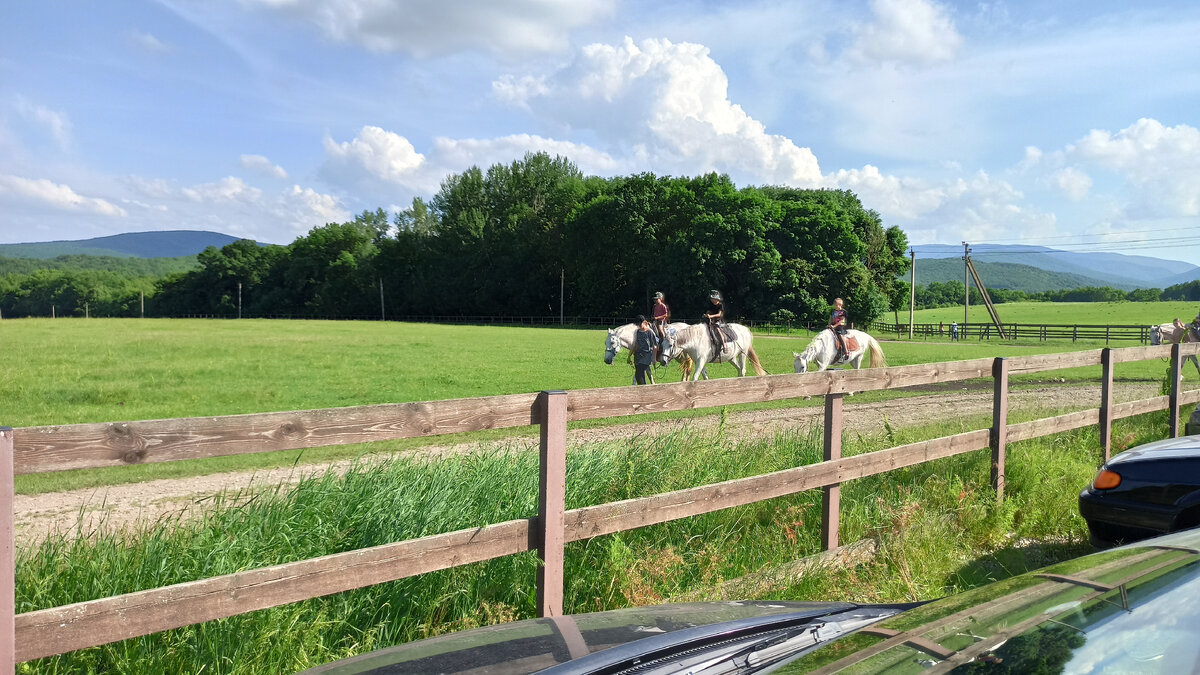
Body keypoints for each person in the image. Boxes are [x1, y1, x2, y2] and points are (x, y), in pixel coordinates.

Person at [633, 314, 659, 385]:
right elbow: (637, 343)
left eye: (639, 324)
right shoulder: (638, 332)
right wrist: (634, 352)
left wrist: (654, 358)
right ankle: (643, 390)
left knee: (639, 373)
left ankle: (643, 390)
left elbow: (655, 346)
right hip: (638, 356)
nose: (638, 326)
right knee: (639, 376)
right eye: (637, 325)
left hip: (647, 355)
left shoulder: (650, 332)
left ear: (644, 322)